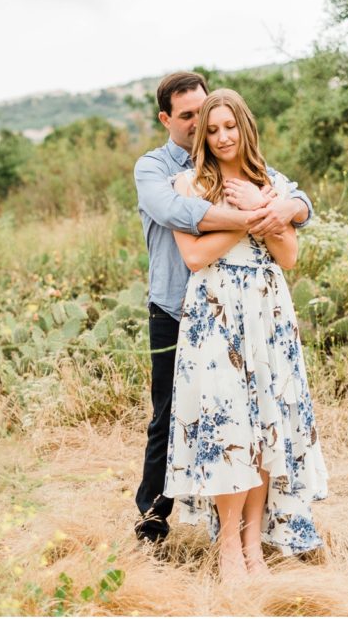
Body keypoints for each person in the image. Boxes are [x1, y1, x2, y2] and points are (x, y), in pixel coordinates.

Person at [133, 72, 313, 545]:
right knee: (172, 418)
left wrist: (286, 205)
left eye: (213, 118)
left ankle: (252, 541)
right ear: (167, 119)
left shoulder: (263, 180)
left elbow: (295, 215)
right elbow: (183, 224)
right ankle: (153, 520)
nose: (207, 130)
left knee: (257, 423)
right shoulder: (159, 172)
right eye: (193, 119)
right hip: (181, 308)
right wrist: (255, 216)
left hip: (259, 316)